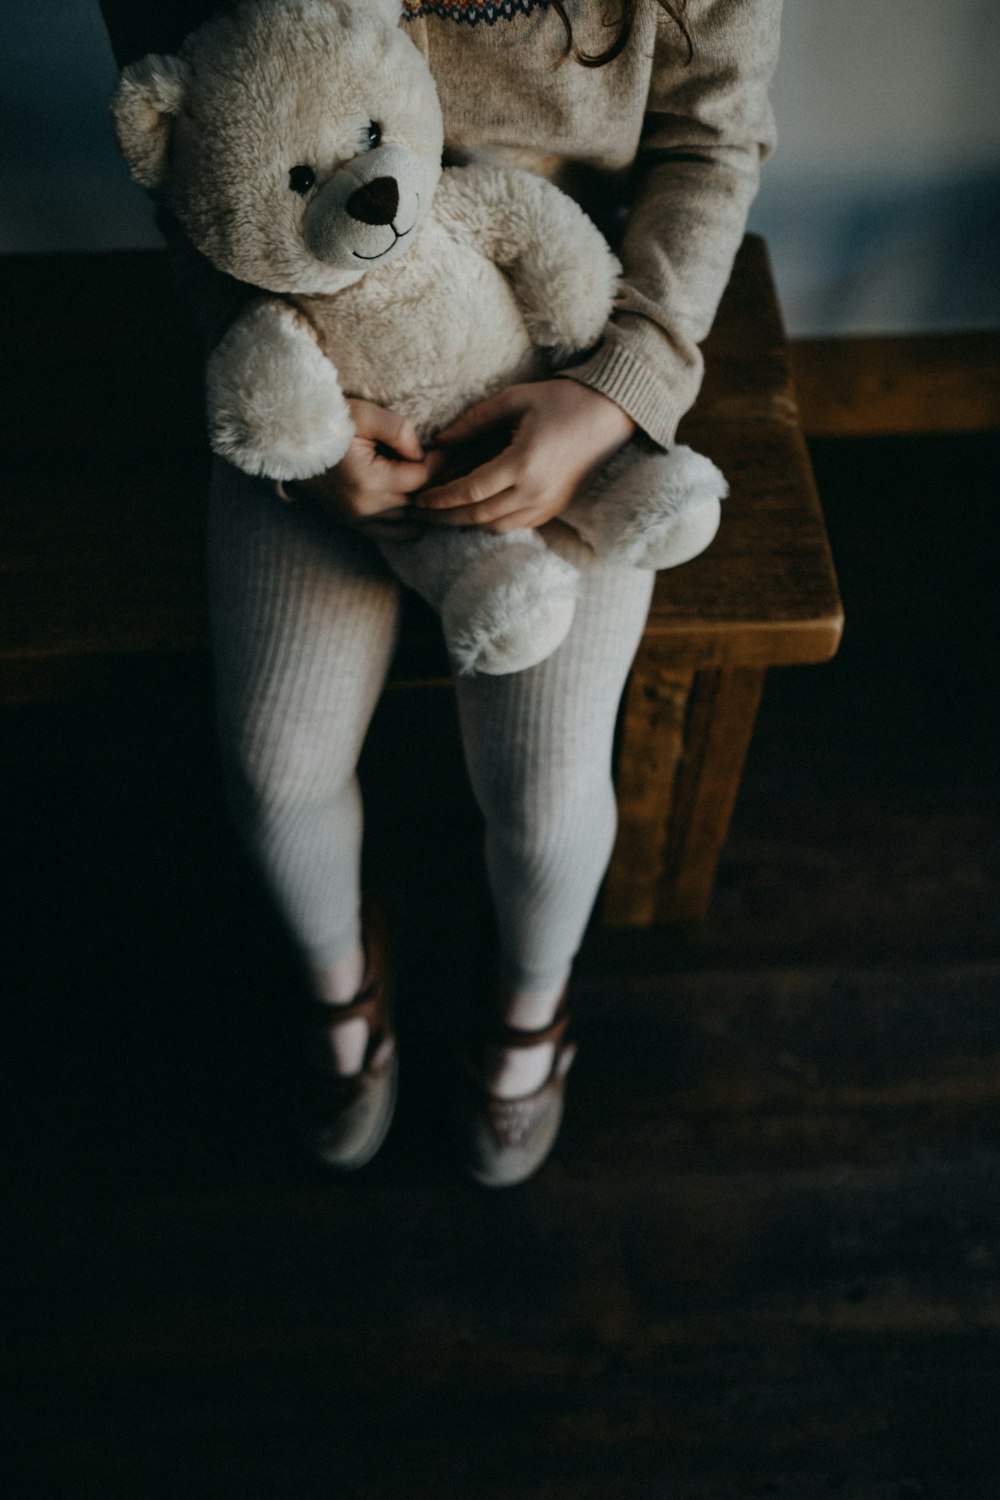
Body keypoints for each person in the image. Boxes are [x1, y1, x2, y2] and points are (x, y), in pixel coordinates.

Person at [100, 0, 780, 1185]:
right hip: (309, 359)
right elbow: (191, 157)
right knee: (272, 763)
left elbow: (712, 144)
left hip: (567, 363)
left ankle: (530, 1008)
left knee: (545, 787)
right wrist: (300, 431)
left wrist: (615, 393)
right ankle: (338, 982)